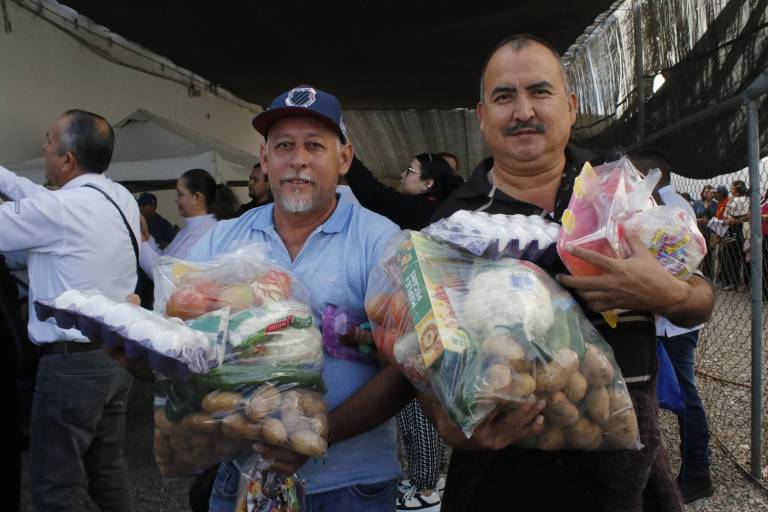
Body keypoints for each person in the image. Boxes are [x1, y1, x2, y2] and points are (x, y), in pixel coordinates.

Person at [425, 34, 714, 512]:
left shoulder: (624, 189)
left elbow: (702, 297)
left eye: (539, 92)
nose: (523, 110)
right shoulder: (452, 226)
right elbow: (427, 357)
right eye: (504, 97)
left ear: (570, 105)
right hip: (502, 477)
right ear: (482, 116)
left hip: (627, 474)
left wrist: (670, 294)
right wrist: (443, 415)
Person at [185, 85, 415, 511]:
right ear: (265, 157)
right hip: (241, 479)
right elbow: (180, 330)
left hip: (347, 487)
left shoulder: (379, 240)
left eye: (315, 146)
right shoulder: (225, 239)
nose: (298, 160)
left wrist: (318, 433)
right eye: (284, 146)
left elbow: (405, 369)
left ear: (344, 158)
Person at [0, 109, 137, 511]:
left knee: (54, 485)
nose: (43, 147)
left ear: (67, 160)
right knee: (108, 470)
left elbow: (43, 210)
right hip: (115, 358)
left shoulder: (59, 211)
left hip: (70, 366)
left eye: (48, 141)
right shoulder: (119, 198)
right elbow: (41, 199)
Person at [656, 317, 714, 503]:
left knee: (685, 398)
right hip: (674, 326)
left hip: (672, 329)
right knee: (684, 394)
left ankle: (697, 473)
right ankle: (695, 457)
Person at [344, 152, 462, 230]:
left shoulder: (421, 209)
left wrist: (346, 156)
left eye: (410, 170)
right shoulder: (443, 206)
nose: (403, 174)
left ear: (427, 183)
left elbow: (374, 194)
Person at [138, 168, 221, 279]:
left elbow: (167, 276)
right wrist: (147, 237)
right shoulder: (190, 229)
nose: (176, 200)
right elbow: (164, 259)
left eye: (180, 194)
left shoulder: (206, 233)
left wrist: (141, 241)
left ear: (197, 198)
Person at [719, 180, 749, 290]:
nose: (731, 189)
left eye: (732, 187)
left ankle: (745, 283)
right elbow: (725, 215)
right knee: (731, 255)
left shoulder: (746, 200)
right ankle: (733, 281)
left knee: (743, 256)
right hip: (731, 230)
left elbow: (747, 216)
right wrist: (728, 218)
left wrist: (735, 220)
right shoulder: (731, 201)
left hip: (742, 230)